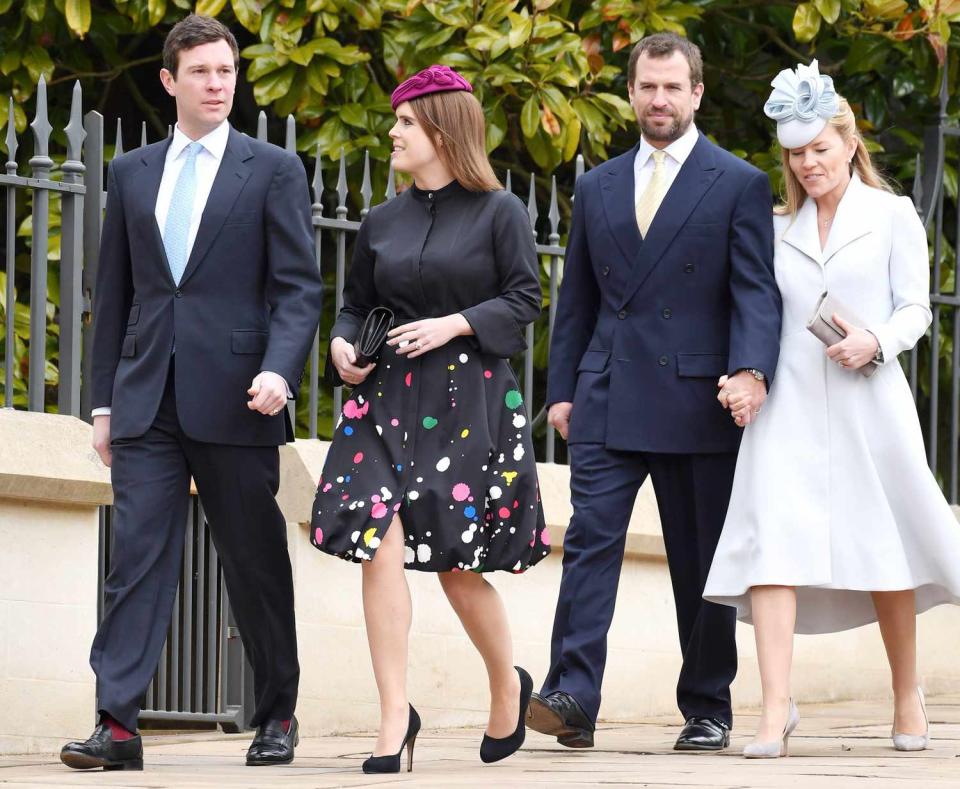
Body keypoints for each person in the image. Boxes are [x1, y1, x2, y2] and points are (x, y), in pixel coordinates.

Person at [59, 15, 323, 771]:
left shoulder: (271, 169)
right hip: (146, 399)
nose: (217, 84)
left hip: (242, 394)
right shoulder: (133, 172)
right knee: (136, 556)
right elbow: (115, 294)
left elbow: (298, 288)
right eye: (201, 72)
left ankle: (276, 713)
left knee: (254, 560)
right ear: (170, 81)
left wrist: (279, 368)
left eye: (226, 70)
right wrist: (105, 401)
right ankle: (116, 723)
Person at [526, 32, 782, 752]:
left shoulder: (736, 181)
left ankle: (708, 705)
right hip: (607, 390)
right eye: (647, 86)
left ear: (697, 93)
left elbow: (755, 293)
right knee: (588, 543)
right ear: (632, 92)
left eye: (673, 87)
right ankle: (573, 692)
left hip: (698, 397)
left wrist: (752, 369)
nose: (659, 99)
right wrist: (564, 391)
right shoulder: (597, 183)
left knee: (700, 561)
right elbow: (574, 296)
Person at [704, 60, 960, 758]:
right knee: (774, 548)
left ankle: (908, 692)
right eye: (796, 152)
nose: (807, 163)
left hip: (867, 404)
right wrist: (743, 374)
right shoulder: (773, 224)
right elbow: (755, 309)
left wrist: (875, 340)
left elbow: (916, 309)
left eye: (820, 148)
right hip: (785, 406)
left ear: (849, 143)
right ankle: (773, 708)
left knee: (886, 549)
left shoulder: (892, 215)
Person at [311, 65, 549, 773]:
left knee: (454, 566)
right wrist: (340, 344)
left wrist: (453, 324)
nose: (393, 132)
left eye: (405, 123)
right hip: (381, 400)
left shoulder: (499, 211)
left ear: (442, 131)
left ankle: (507, 684)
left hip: (465, 404)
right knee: (376, 539)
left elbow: (525, 300)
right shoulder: (381, 220)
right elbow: (354, 304)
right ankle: (394, 716)